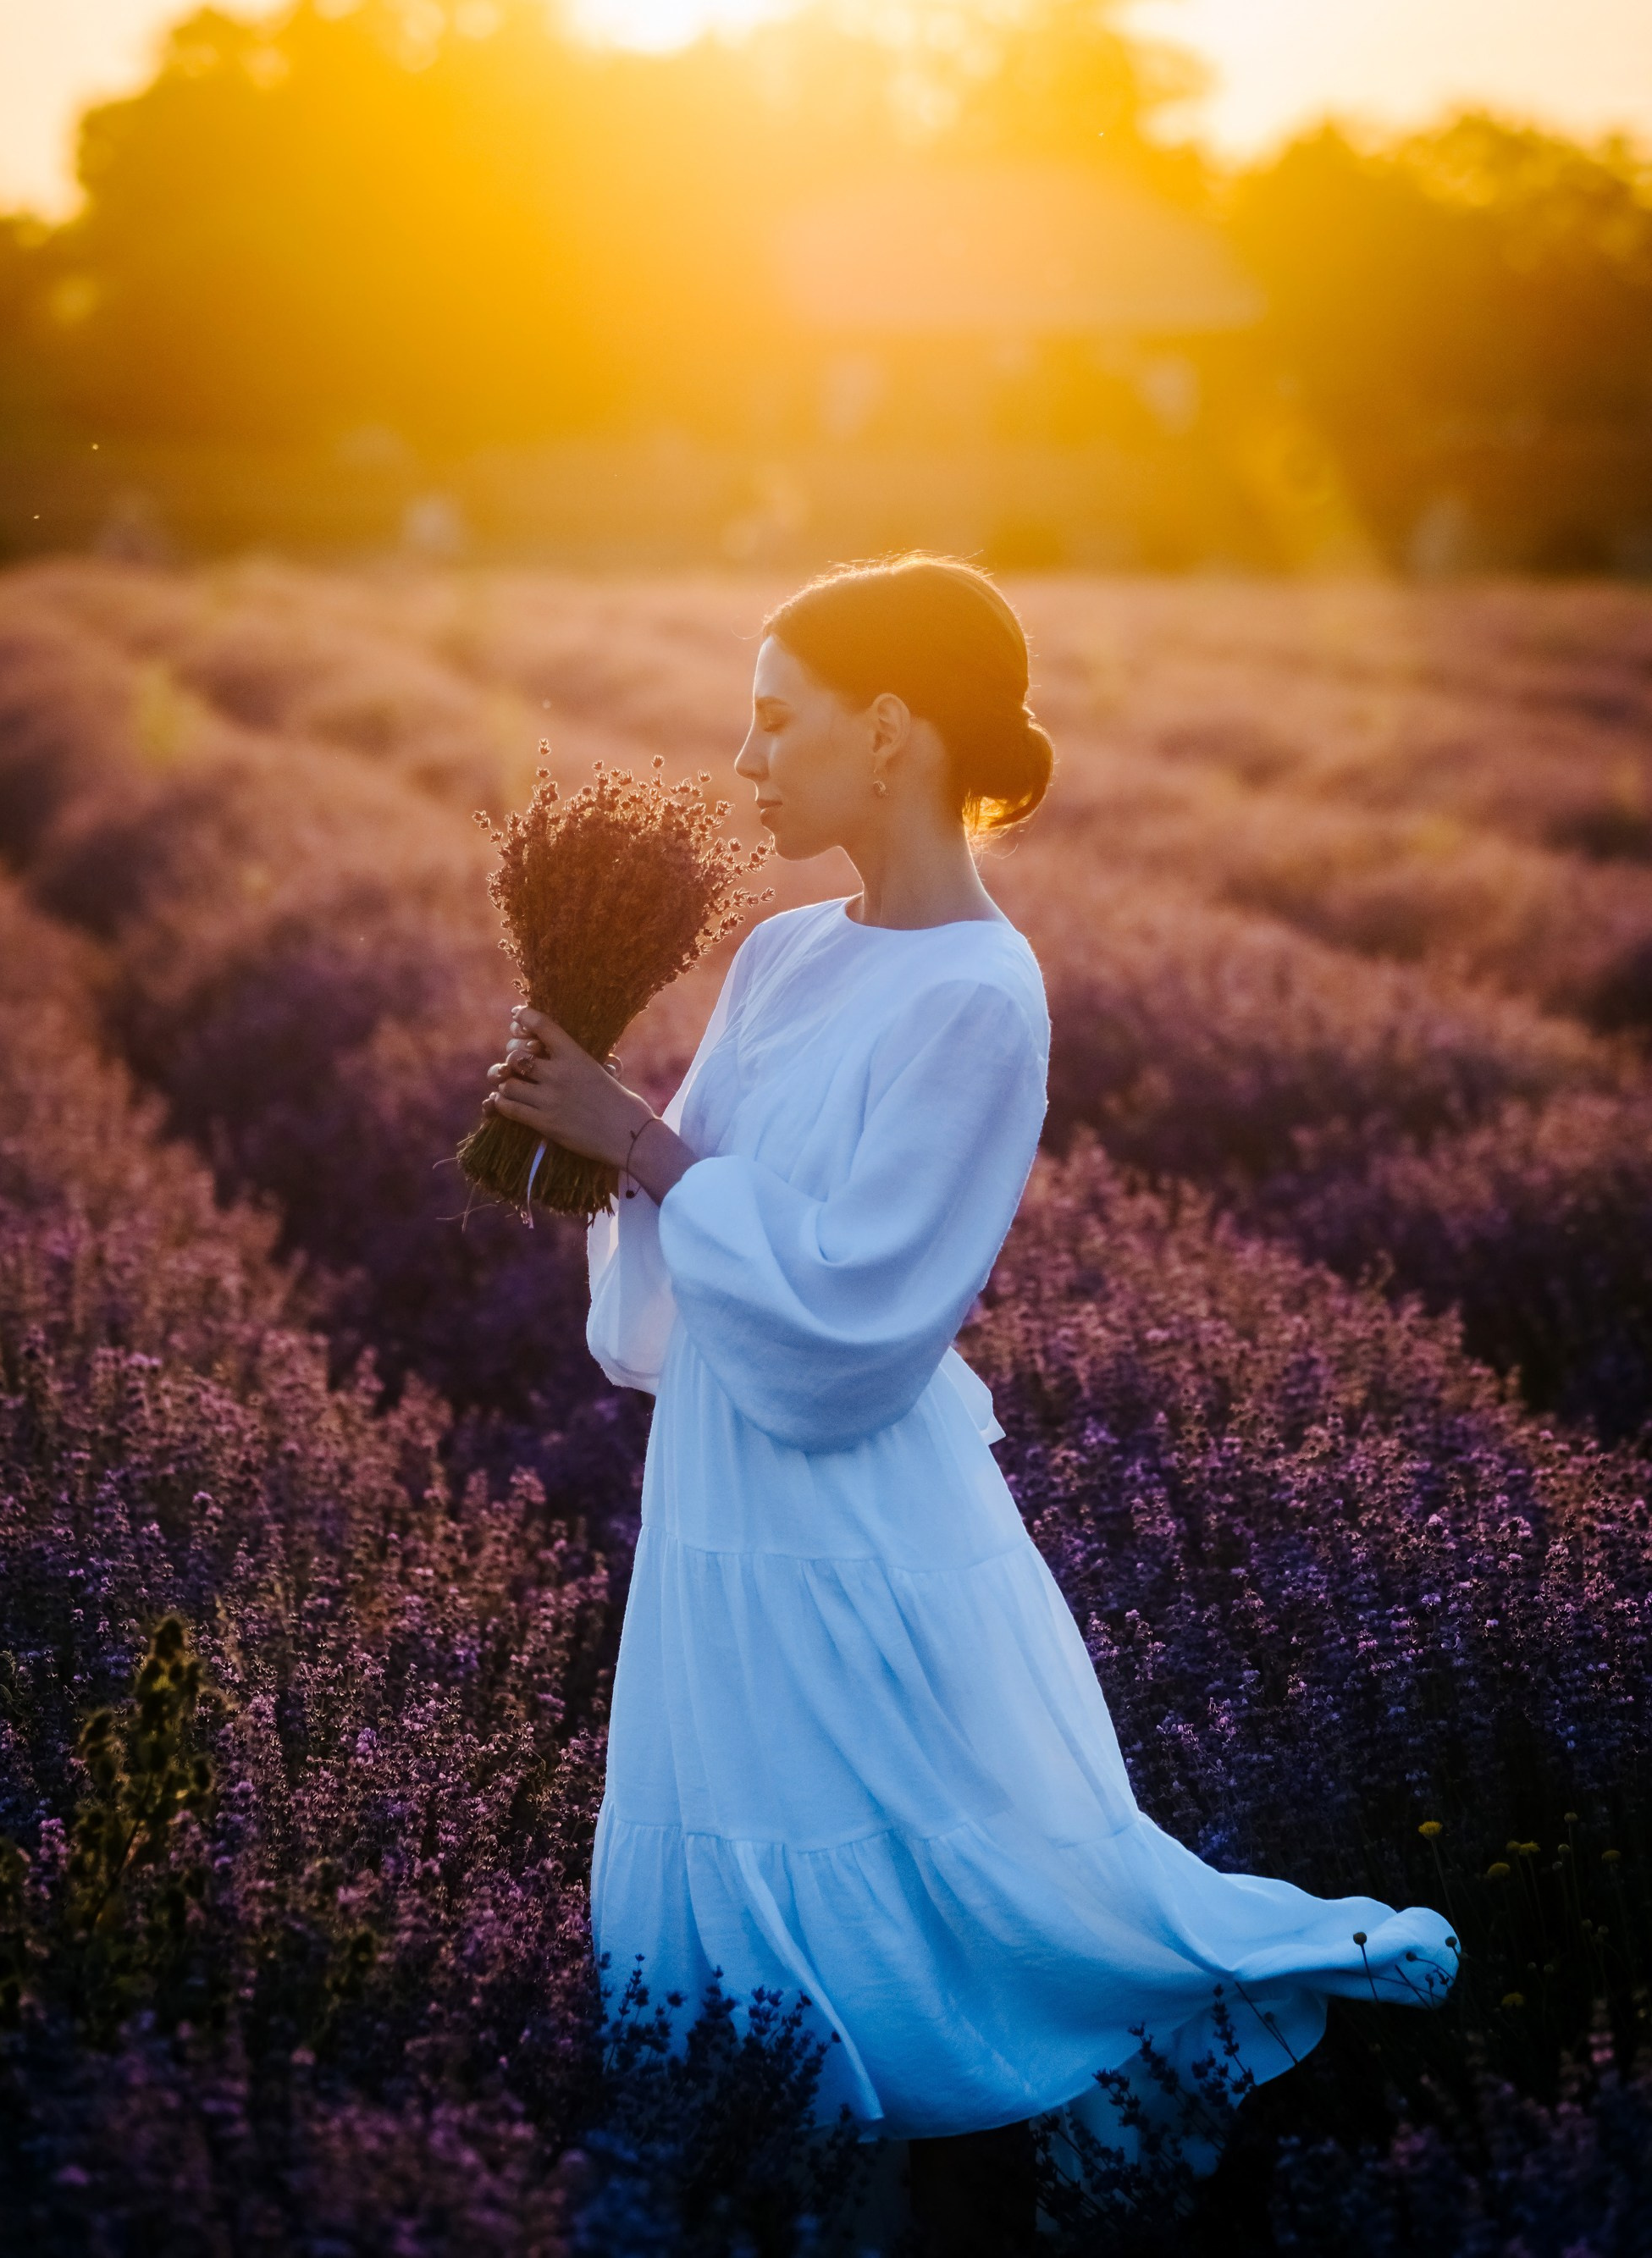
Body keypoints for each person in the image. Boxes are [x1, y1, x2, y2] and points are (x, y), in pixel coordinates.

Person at [482, 554, 1458, 2252]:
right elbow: (689, 1231)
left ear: (889, 730)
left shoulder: (980, 993)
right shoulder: (785, 954)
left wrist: (632, 1140)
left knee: (906, 1907)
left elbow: (863, 1310)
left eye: (776, 717)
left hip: (853, 1519)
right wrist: (589, 1148)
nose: (745, 755)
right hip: (726, 1496)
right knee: (743, 1923)